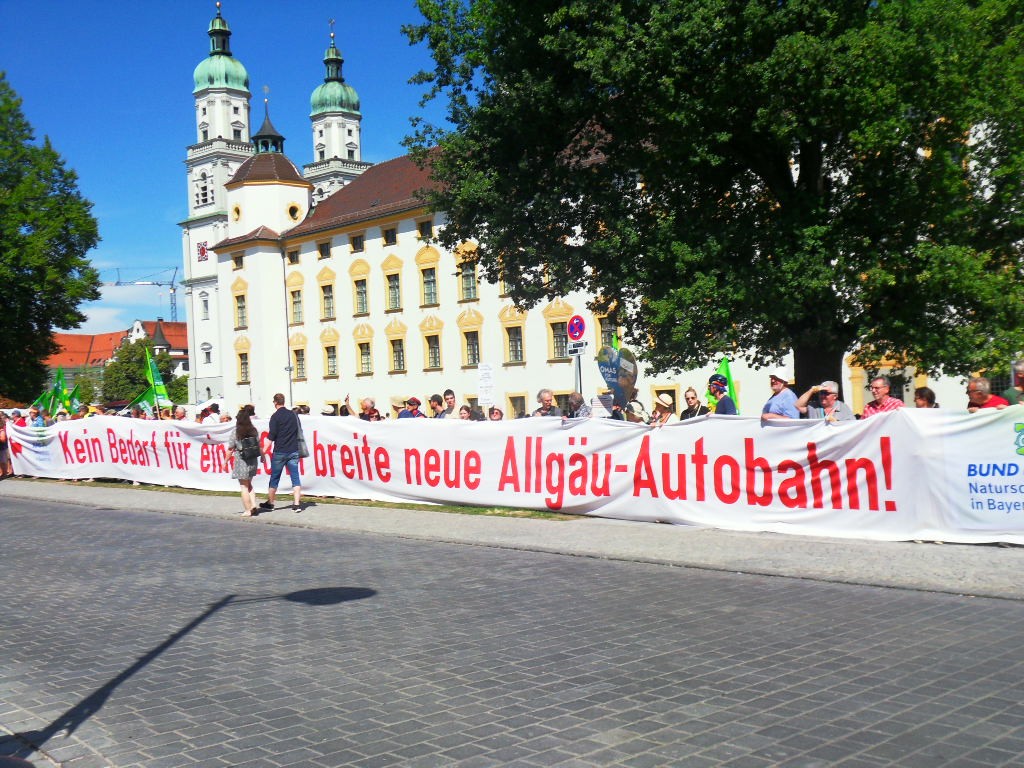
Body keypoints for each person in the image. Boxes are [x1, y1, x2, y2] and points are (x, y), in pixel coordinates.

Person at [259, 393, 303, 513]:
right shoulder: (293, 415)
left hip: (280, 451)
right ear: (283, 401)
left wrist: (263, 452)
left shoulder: (275, 417)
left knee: (274, 478)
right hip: (293, 450)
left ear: (275, 402)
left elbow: (271, 437)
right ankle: (297, 504)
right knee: (295, 477)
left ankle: (271, 503)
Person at [226, 408, 266, 516]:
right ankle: (253, 505)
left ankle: (248, 510)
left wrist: (225, 461)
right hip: (253, 460)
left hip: (241, 460)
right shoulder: (254, 430)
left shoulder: (236, 432)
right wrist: (263, 456)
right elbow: (259, 445)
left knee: (243, 486)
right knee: (249, 484)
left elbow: (230, 448)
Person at [0, 412, 11, 479]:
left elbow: (3, 439)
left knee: (3, 461)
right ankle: (2, 473)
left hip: (2, 447)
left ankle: (4, 474)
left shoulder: (2, 430)